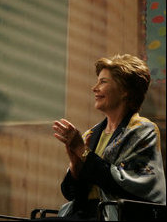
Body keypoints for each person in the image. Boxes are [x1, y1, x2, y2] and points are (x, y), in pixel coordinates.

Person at [52, 54, 166, 220]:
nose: (94, 88)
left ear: (125, 90)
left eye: (103, 82)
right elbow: (71, 194)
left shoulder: (144, 131)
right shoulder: (91, 134)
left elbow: (124, 186)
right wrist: (75, 165)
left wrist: (81, 151)